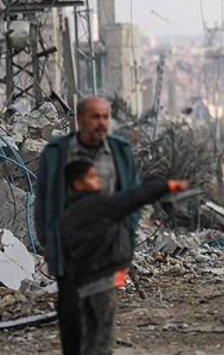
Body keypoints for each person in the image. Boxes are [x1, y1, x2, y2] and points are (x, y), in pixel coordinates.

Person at [35, 96, 140, 355]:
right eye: (95, 117)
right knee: (72, 318)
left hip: (107, 253)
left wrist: (126, 237)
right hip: (71, 253)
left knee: (103, 318)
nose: (101, 123)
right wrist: (49, 243)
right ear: (80, 120)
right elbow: (44, 202)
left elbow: (132, 199)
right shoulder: (57, 154)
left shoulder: (120, 152)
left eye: (105, 117)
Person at [61, 160, 189, 355]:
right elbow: (135, 197)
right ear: (78, 183)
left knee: (89, 332)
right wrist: (166, 185)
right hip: (101, 280)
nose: (97, 180)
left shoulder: (69, 211)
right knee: (104, 333)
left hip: (81, 282)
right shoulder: (100, 205)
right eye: (91, 177)